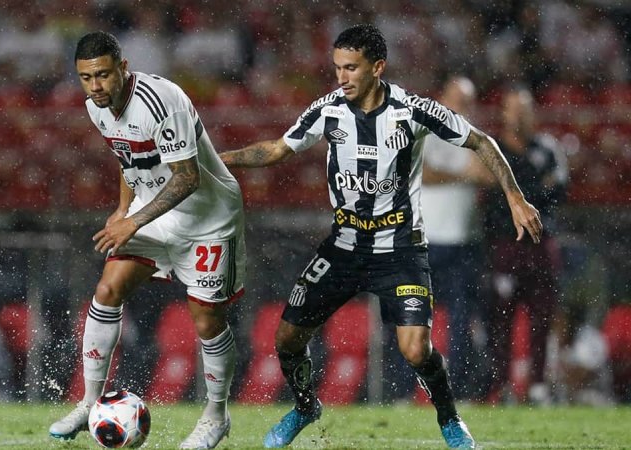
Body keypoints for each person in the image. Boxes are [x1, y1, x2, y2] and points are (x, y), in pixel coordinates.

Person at [220, 24, 542, 449]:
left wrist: (515, 196)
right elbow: (278, 149)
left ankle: (449, 418)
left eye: (351, 68)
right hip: (345, 246)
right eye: (337, 68)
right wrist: (213, 160)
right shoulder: (328, 110)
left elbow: (481, 142)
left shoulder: (412, 110)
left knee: (414, 349)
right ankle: (304, 406)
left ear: (377, 67)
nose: (342, 77)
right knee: (287, 338)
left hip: (400, 248)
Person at [48, 31, 246, 449]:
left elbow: (188, 177)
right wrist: (123, 210)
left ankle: (216, 416)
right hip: (150, 213)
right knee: (107, 288)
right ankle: (89, 402)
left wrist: (132, 221)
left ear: (123, 67)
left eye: (103, 75)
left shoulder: (161, 100)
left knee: (207, 318)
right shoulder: (95, 108)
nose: (96, 86)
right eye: (87, 78)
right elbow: (129, 157)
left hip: (207, 219)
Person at [480, 86, 567, 405]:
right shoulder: (492, 148)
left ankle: (538, 385)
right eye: (513, 108)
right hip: (505, 245)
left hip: (540, 243)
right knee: (500, 318)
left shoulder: (548, 147)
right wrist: (531, 187)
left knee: (543, 316)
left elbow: (559, 189)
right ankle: (501, 384)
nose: (518, 115)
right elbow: (495, 196)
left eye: (524, 109)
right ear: (503, 112)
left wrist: (516, 190)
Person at [421, 76, 494, 400]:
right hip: (426, 240)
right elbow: (422, 174)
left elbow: (490, 175)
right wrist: (464, 175)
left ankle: (458, 388)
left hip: (465, 242)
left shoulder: (476, 137)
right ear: (442, 99)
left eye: (467, 102)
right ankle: (403, 388)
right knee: (412, 317)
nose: (463, 107)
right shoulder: (425, 132)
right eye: (457, 100)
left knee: (463, 320)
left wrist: (458, 173)